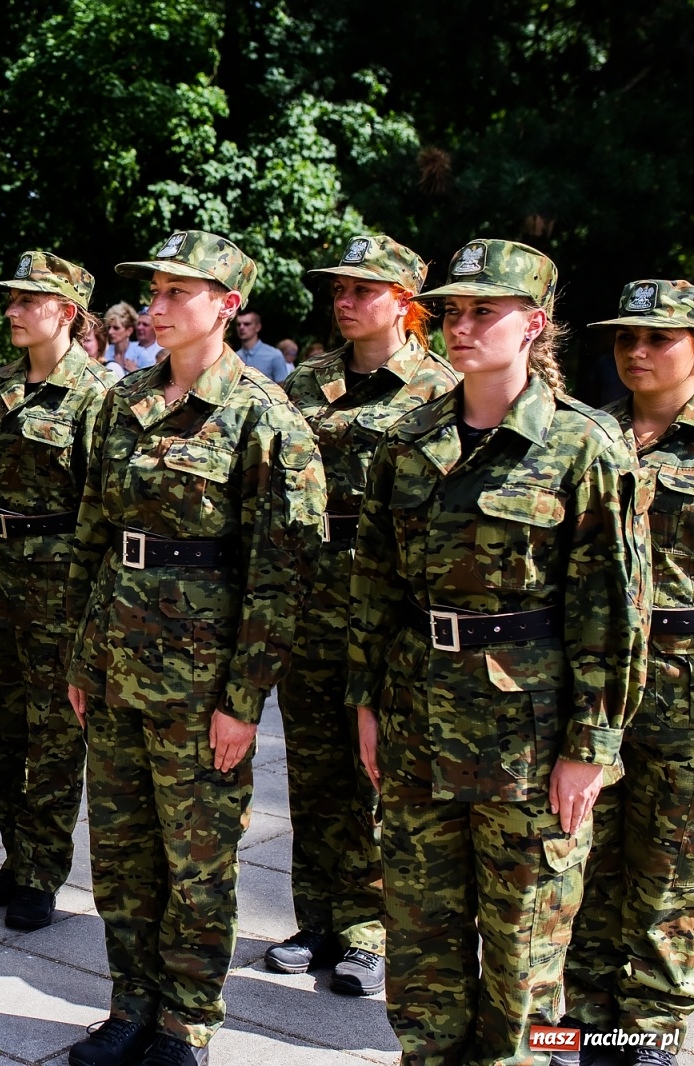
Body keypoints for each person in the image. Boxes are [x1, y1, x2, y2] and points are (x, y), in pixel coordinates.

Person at [348, 239, 647, 1066]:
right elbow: (374, 584)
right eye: (452, 310)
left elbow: (614, 615)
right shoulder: (409, 442)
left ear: (535, 325)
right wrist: (366, 701)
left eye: (486, 310)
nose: (463, 324)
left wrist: (591, 748)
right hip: (415, 721)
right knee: (421, 949)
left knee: (525, 960)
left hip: (528, 738)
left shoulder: (584, 446)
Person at [65, 229, 325, 1066]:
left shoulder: (265, 419)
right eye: (156, 290)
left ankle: (187, 1023)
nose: (159, 304)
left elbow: (280, 578)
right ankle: (129, 1004)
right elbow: (95, 539)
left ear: (228, 306)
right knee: (121, 853)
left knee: (199, 863)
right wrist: (81, 658)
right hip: (116, 668)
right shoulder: (123, 401)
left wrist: (242, 701)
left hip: (202, 683)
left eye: (182, 291)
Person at [270, 235, 457, 998]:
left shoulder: (438, 389)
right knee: (314, 768)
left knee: (378, 770)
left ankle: (372, 928)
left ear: (405, 303)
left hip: (386, 604)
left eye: (362, 290)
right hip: (312, 597)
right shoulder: (308, 382)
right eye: (338, 289)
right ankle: (316, 916)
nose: (344, 301)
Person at [0, 250, 110, 932]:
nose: (13, 310)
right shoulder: (3, 386)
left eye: (28, 301)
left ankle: (43, 870)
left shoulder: (98, 395)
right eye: (11, 299)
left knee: (53, 741)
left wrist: (90, 612)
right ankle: (15, 855)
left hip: (58, 592)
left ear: (67, 313)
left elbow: (103, 511)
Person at [565, 278, 694, 1066]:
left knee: (670, 862)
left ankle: (651, 1030)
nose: (637, 352)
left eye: (659, 338)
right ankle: (580, 1018)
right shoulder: (590, 435)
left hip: (685, 677)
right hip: (596, 676)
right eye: (625, 339)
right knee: (585, 849)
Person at [234, 308, 290, 385]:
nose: (241, 327)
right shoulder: (234, 357)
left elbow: (283, 388)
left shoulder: (274, 355)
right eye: (238, 324)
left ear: (258, 327)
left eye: (247, 324)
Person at [101, 301, 143, 375]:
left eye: (116, 328)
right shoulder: (104, 352)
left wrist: (136, 372)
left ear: (129, 331)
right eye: (109, 327)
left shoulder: (141, 354)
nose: (110, 332)